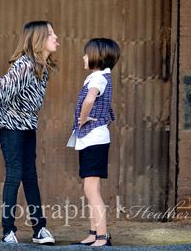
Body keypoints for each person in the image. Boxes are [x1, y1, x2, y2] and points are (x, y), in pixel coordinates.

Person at [0, 21, 59, 244]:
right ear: (38, 40)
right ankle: (8, 232)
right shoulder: (24, 65)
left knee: (30, 176)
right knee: (15, 174)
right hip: (10, 126)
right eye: (51, 34)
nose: (56, 37)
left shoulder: (41, 67)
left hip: (27, 126)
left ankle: (39, 230)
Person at [69, 38, 120, 247]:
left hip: (94, 139)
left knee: (91, 189)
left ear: (97, 56)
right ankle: (94, 233)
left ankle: (102, 236)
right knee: (91, 188)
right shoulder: (99, 76)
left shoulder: (98, 77)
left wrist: (82, 118)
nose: (83, 57)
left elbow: (90, 99)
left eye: (86, 53)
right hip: (93, 139)